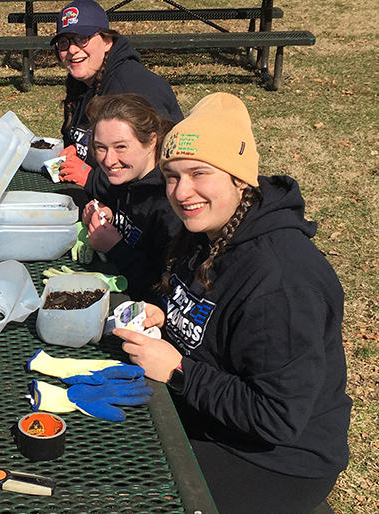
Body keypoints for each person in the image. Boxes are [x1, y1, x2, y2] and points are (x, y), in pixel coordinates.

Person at [114, 93, 351, 514]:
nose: (181, 191)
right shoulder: (205, 231)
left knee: (127, 491)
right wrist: (166, 316)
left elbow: (276, 416)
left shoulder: (282, 282)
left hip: (274, 460)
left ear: (240, 178)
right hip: (211, 419)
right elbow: (210, 320)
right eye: (171, 176)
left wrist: (177, 370)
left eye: (198, 173)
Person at [52, 0, 184, 188]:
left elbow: (157, 172)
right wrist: (76, 149)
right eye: (64, 42)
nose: (72, 50)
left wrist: (91, 179)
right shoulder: (82, 81)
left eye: (83, 38)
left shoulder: (134, 89)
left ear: (107, 42)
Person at [80, 93, 181, 302]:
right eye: (100, 148)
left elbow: (164, 290)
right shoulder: (123, 176)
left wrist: (115, 248)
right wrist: (108, 214)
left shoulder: (172, 204)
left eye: (121, 147)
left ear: (152, 141)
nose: (109, 160)